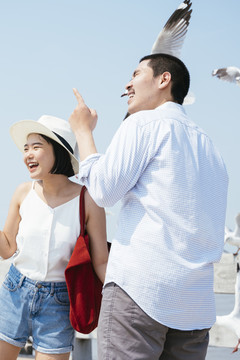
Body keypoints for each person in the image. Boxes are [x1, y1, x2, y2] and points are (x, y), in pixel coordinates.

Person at [68, 53, 229, 360]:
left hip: (141, 290)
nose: (127, 84)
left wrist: (83, 132)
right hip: (195, 302)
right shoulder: (210, 145)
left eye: (136, 74)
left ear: (163, 80)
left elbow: (102, 191)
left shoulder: (143, 123)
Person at [0, 115, 108, 360]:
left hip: (60, 303)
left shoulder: (89, 200)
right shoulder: (23, 193)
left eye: (36, 147)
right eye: (25, 148)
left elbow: (101, 262)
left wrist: (128, 297)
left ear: (60, 151)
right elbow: (6, 249)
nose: (27, 154)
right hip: (15, 291)